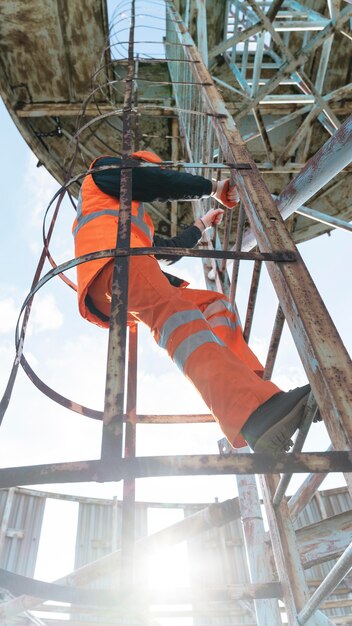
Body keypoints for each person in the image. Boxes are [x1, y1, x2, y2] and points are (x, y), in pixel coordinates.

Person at [73, 150, 310, 453]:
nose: (151, 172)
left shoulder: (123, 212)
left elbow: (167, 251)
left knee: (214, 304)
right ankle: (253, 412)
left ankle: (258, 395)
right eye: (148, 168)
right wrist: (213, 188)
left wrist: (203, 224)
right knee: (178, 319)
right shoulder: (104, 172)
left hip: (119, 269)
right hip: (114, 261)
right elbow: (156, 182)